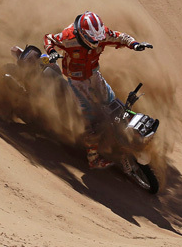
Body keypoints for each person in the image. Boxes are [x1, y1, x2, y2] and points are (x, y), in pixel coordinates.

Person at [44, 11, 153, 169]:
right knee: (91, 119)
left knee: (113, 103)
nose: (96, 43)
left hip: (94, 74)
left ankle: (129, 130)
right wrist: (52, 52)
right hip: (76, 81)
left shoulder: (101, 35)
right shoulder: (68, 38)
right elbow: (48, 38)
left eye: (98, 39)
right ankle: (93, 159)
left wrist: (135, 44)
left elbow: (119, 36)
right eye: (92, 40)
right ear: (82, 34)